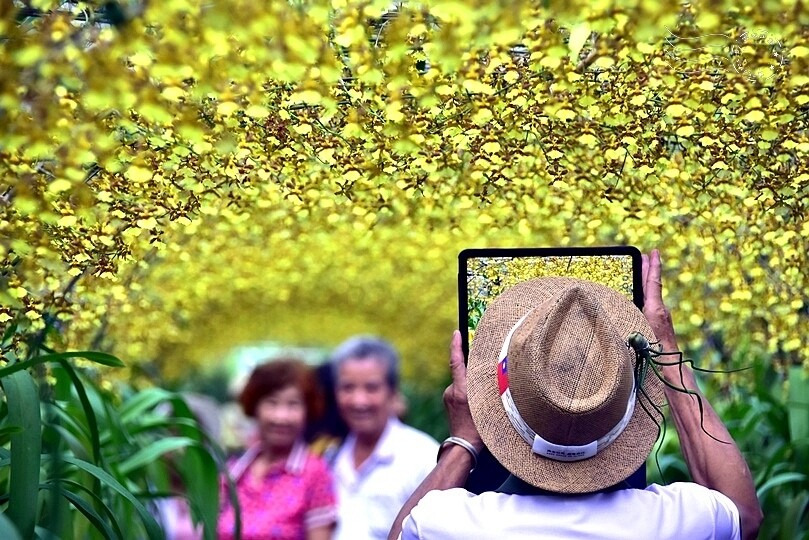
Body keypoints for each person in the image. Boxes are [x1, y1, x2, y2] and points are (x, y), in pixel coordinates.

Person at [388, 249, 763, 540]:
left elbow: (402, 532)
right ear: (621, 408)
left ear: (492, 406)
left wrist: (464, 439)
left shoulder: (457, 524)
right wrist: (663, 346)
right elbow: (744, 515)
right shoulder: (674, 522)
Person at [329, 336, 439, 540]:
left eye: (371, 388)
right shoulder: (331, 456)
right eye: (348, 388)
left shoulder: (423, 457)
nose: (359, 401)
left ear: (392, 392)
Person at [218, 358, 337, 540]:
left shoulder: (314, 473)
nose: (281, 417)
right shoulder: (235, 471)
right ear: (254, 407)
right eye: (272, 403)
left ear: (307, 410)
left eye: (293, 404)